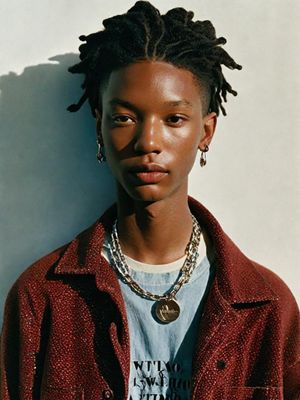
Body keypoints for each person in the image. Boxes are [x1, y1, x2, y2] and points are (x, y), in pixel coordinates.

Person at [1, 1, 299, 399]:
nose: (148, 142)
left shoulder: (266, 306)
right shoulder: (43, 297)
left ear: (206, 131)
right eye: (124, 117)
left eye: (174, 119)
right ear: (99, 127)